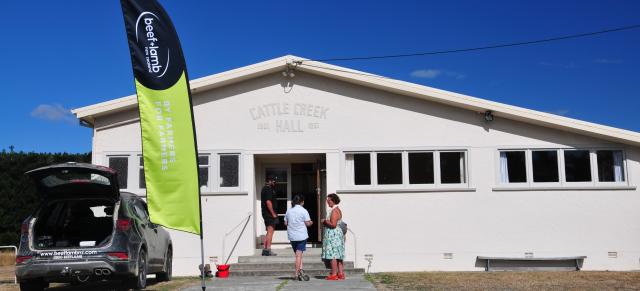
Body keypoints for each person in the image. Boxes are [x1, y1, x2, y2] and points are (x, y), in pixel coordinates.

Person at [284, 194, 313, 281]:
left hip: (292, 236)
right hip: (301, 236)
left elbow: (286, 223)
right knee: (298, 256)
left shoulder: (289, 211)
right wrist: (312, 222)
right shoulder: (304, 211)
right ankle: (296, 274)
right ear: (302, 202)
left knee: (298, 255)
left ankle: (300, 271)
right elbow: (308, 223)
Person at [321, 193, 345, 280]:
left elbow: (333, 224)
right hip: (337, 234)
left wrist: (325, 221)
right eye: (327, 200)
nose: (327, 201)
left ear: (333, 200)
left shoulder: (334, 211)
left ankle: (334, 274)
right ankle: (340, 273)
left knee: (333, 255)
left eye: (329, 200)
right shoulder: (337, 209)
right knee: (338, 254)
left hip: (333, 234)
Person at [261, 176, 278, 256]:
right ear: (269, 181)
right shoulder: (268, 189)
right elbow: (268, 202)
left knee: (268, 231)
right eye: (274, 180)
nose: (275, 182)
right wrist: (273, 214)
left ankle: (265, 249)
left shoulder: (265, 188)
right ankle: (268, 249)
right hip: (269, 214)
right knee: (271, 231)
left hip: (266, 213)